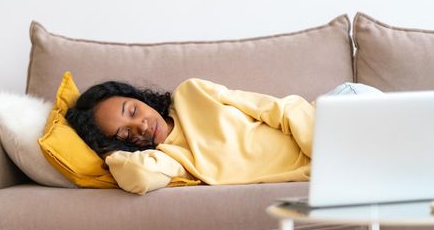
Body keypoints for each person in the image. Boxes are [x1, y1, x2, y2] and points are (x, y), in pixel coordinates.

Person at [66, 78, 382, 195]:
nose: (143, 127)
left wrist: (329, 151)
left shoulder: (192, 93)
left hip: (334, 114)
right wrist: (110, 152)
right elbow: (137, 176)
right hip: (336, 163)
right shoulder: (169, 161)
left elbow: (275, 109)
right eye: (126, 133)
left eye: (133, 111)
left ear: (139, 98)